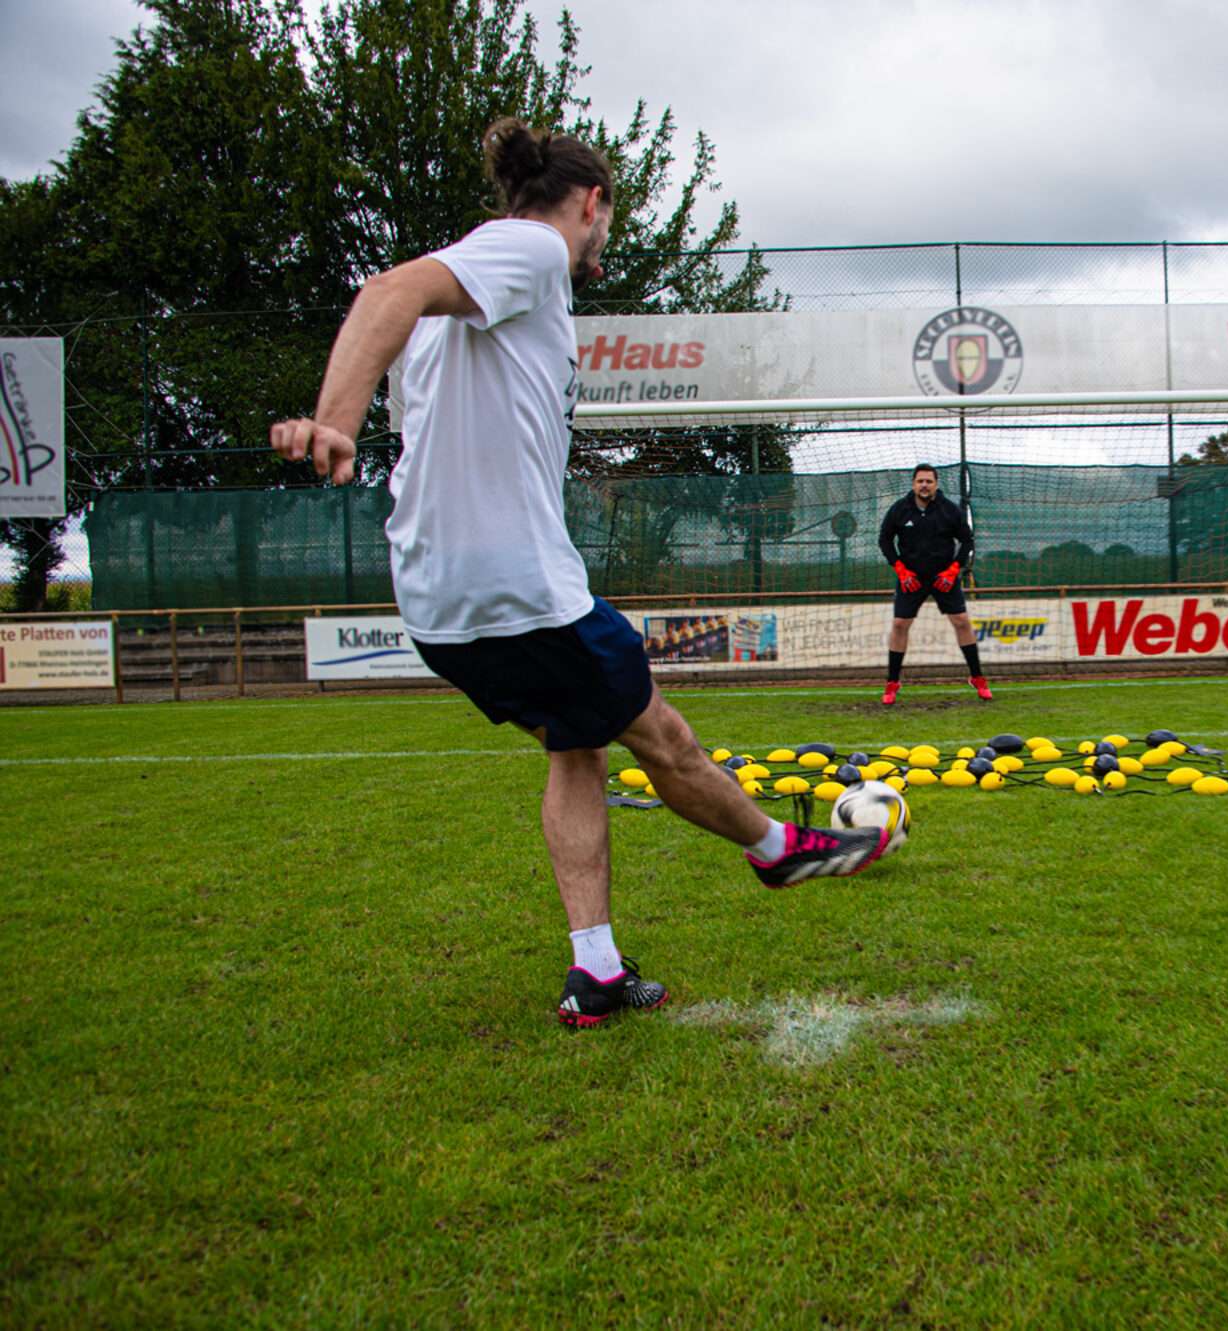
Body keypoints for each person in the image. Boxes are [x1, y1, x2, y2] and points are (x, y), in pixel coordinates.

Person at [270, 118, 887, 1030]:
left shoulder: (483, 273)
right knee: (661, 733)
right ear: (592, 204)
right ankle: (775, 848)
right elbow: (384, 289)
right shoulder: (525, 251)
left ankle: (595, 968)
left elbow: (406, 303)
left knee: (578, 740)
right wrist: (336, 420)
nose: (604, 242)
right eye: (610, 222)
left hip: (439, 604)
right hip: (516, 587)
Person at [876, 463, 989, 705]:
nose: (924, 485)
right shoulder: (900, 509)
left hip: (943, 577)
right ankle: (892, 682)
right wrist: (900, 569)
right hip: (911, 578)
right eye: (920, 481)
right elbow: (885, 540)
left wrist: (954, 569)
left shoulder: (950, 510)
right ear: (913, 484)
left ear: (936, 484)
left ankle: (977, 677)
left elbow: (967, 542)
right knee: (899, 624)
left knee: (962, 622)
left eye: (929, 481)